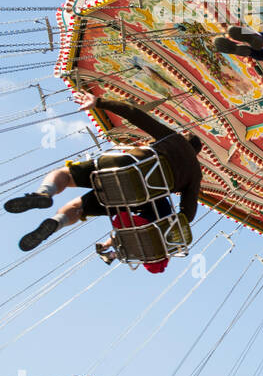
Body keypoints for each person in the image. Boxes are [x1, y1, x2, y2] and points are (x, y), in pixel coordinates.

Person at [5, 97, 203, 259]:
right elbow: (188, 212)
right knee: (79, 208)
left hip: (123, 167)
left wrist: (99, 102)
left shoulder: (173, 138)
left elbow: (137, 116)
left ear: (184, 137)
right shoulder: (195, 173)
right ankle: (57, 222)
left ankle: (44, 193)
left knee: (66, 174)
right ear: (196, 153)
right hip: (133, 198)